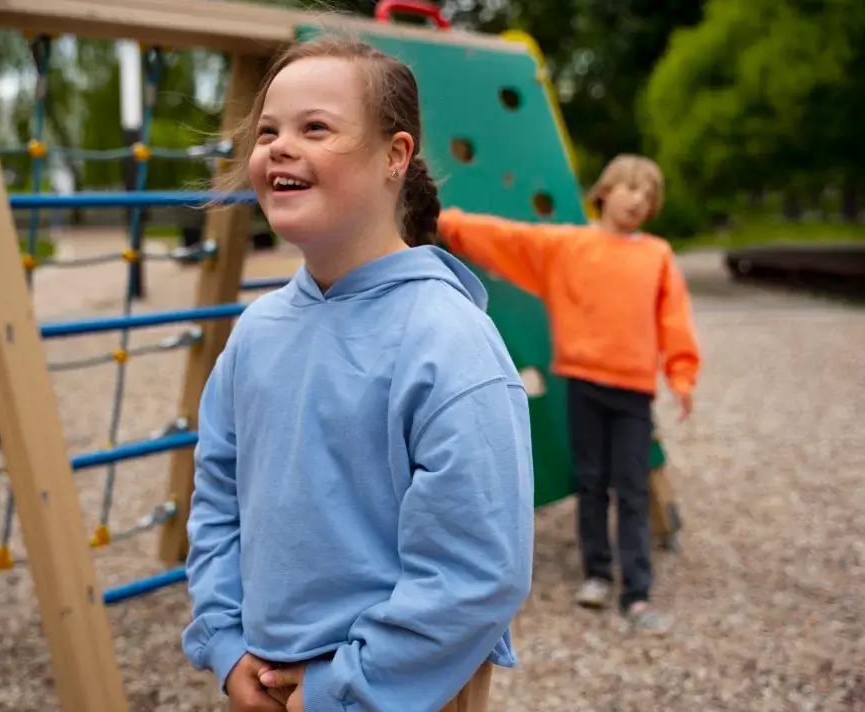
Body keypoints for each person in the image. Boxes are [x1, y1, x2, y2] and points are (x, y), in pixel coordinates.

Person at [181, 36, 535, 712]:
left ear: (394, 156)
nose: (280, 147)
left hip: (408, 690)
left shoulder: (449, 341)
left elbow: (479, 569)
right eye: (268, 132)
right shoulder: (255, 333)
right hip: (267, 678)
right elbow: (218, 498)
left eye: (315, 128)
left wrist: (345, 686)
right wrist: (224, 643)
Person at [436, 154, 701, 632]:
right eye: (630, 188)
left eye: (648, 195)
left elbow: (674, 318)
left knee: (633, 488)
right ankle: (597, 574)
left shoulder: (656, 255)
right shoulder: (569, 246)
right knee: (592, 482)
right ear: (605, 192)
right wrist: (447, 222)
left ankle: (637, 593)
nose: (638, 200)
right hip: (583, 383)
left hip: (633, 392)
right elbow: (509, 238)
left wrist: (681, 375)